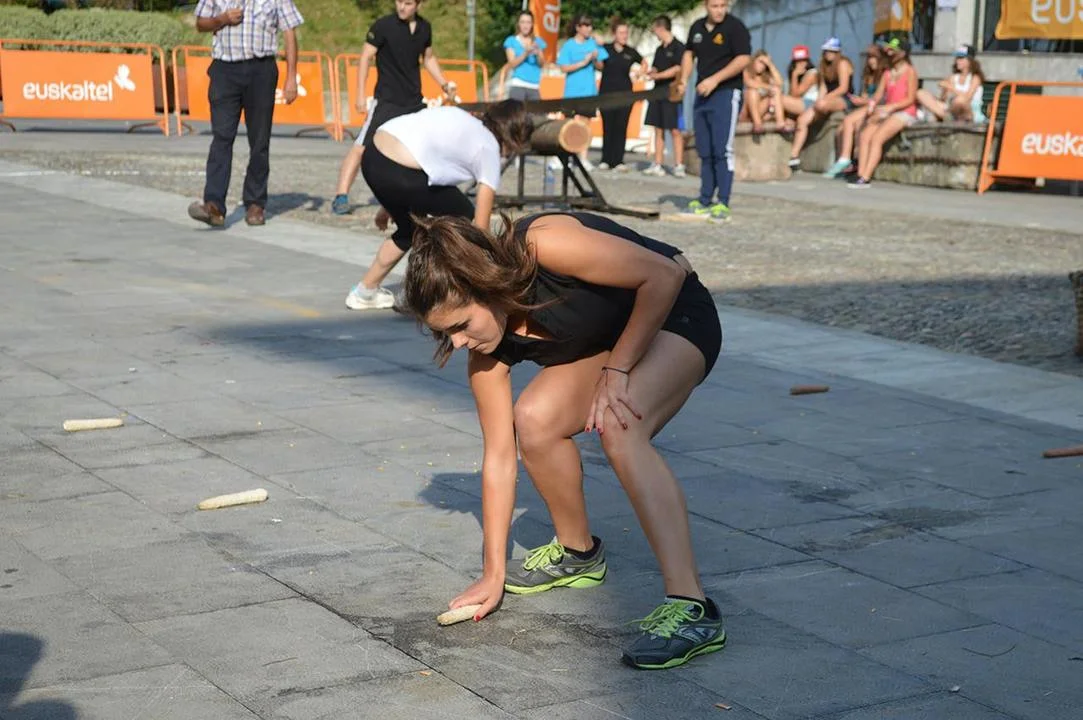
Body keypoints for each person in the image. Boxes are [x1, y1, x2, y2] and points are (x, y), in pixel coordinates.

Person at [401, 209, 725, 670]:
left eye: (461, 325)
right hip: (615, 339)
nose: (456, 343)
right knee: (533, 419)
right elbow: (499, 458)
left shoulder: (543, 245)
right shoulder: (486, 353)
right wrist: (493, 574)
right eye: (444, 333)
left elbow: (665, 274)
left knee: (620, 425)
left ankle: (693, 608)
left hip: (674, 313)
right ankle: (578, 553)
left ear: (486, 286)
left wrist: (617, 370)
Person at [344, 100, 533, 310]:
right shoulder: (488, 147)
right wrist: (489, 272)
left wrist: (389, 206)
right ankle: (432, 292)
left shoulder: (463, 119)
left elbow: (414, 149)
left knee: (409, 229)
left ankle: (365, 292)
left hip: (373, 158)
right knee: (464, 219)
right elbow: (481, 225)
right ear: (515, 135)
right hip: (400, 172)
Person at [330, 0, 454, 217]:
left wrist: (444, 83)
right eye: (398, 1)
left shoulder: (425, 27)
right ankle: (341, 195)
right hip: (386, 100)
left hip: (414, 101)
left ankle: (426, 197)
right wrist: (360, 94)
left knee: (422, 150)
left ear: (418, 5)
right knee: (362, 146)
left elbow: (428, 58)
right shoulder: (383, 25)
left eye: (407, 3)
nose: (401, 7)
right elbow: (365, 57)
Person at [187, 0, 303, 228]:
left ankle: (255, 203)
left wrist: (291, 77)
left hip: (261, 70)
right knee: (222, 137)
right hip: (225, 70)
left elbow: (290, 32)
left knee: (259, 140)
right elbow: (201, 24)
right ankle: (214, 204)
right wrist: (222, 19)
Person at [676, 0, 751, 222]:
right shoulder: (697, 27)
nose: (719, 10)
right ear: (706, 6)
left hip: (726, 93)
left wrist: (715, 80)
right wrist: (683, 80)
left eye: (722, 6)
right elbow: (689, 54)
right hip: (702, 94)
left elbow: (743, 58)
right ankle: (705, 198)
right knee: (704, 149)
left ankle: (723, 201)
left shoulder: (735, 27)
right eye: (714, 6)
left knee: (722, 149)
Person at [850, 37, 918, 189]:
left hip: (904, 112)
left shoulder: (910, 71)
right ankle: (860, 173)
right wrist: (872, 104)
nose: (889, 53)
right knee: (865, 135)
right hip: (887, 111)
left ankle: (866, 177)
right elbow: (878, 95)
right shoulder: (887, 73)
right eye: (889, 49)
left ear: (903, 53)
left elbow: (910, 99)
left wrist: (891, 107)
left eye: (893, 50)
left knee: (877, 138)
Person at [787, 37, 854, 170]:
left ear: (837, 52)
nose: (829, 54)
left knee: (822, 104)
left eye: (832, 51)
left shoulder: (843, 63)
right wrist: (820, 99)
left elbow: (843, 88)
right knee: (802, 120)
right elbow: (823, 88)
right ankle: (794, 156)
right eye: (827, 51)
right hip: (826, 101)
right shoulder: (823, 67)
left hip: (844, 99)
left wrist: (825, 99)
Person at [557, 15, 608, 170]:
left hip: (589, 90)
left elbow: (601, 66)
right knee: (569, 123)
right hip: (572, 91)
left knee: (586, 125)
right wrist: (583, 62)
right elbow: (563, 67)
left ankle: (583, 157)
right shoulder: (569, 45)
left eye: (590, 26)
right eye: (585, 26)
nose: (588, 29)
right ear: (578, 27)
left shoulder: (593, 44)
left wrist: (595, 59)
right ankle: (565, 156)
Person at [823, 43, 882, 178]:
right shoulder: (868, 76)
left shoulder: (884, 75)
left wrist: (864, 101)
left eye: (874, 58)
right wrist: (861, 99)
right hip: (865, 106)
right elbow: (866, 95)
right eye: (869, 58)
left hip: (876, 108)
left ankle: (847, 159)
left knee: (851, 122)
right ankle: (842, 162)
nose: (871, 61)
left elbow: (880, 98)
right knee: (841, 129)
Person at [597, 18, 646, 172]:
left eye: (626, 33)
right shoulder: (606, 49)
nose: (624, 35)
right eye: (621, 33)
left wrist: (639, 73)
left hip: (625, 94)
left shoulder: (630, 52)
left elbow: (644, 62)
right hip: (606, 93)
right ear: (614, 34)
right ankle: (606, 159)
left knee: (621, 126)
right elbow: (598, 64)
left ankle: (618, 160)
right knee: (608, 125)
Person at [642, 15, 687, 177]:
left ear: (661, 28)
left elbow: (677, 68)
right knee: (658, 127)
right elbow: (656, 67)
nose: (654, 33)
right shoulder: (659, 49)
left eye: (655, 30)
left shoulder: (679, 47)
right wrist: (651, 72)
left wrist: (659, 76)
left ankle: (679, 164)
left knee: (675, 129)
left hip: (672, 92)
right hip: (657, 92)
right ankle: (658, 163)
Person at [916, 44, 986, 124]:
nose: (957, 61)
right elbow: (944, 100)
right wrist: (944, 91)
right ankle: (945, 116)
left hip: (969, 110)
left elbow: (967, 98)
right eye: (957, 58)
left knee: (959, 100)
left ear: (970, 61)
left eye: (961, 58)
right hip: (951, 109)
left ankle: (944, 116)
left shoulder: (975, 78)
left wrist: (950, 87)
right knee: (920, 93)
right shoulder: (953, 77)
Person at [503, 11, 547, 103]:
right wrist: (525, 53)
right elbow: (512, 64)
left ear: (532, 24)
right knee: (516, 111)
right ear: (518, 24)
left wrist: (538, 53)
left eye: (528, 22)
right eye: (522, 22)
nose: (525, 26)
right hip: (518, 84)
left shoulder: (538, 41)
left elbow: (542, 64)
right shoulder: (511, 40)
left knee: (536, 112)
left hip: (534, 85)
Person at [739, 49, 785, 134]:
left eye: (765, 64)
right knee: (752, 91)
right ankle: (757, 123)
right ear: (754, 60)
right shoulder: (747, 70)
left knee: (776, 91)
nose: (762, 66)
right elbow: (748, 82)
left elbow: (780, 83)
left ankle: (780, 122)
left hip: (761, 110)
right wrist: (768, 87)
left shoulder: (766, 76)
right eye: (760, 62)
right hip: (746, 111)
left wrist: (770, 65)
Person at [778, 45, 818, 125]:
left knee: (778, 98)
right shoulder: (799, 76)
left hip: (810, 103)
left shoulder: (812, 73)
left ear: (807, 61)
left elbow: (795, 95)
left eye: (803, 61)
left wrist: (794, 75)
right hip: (801, 103)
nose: (801, 64)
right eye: (798, 61)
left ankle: (780, 123)